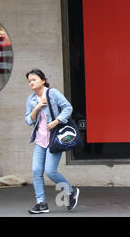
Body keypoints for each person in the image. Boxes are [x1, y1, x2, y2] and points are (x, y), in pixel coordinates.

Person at [25, 69, 80, 214]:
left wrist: (56, 121)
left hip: (55, 139)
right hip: (40, 140)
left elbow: (68, 107)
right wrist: (36, 108)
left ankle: (71, 190)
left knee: (50, 171)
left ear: (43, 80)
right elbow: (28, 121)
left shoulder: (53, 93)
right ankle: (41, 203)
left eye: (34, 79)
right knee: (36, 171)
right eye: (29, 81)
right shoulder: (31, 100)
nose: (31, 82)